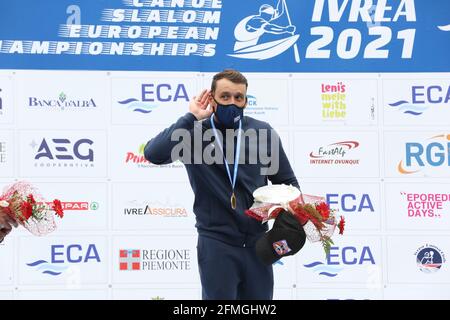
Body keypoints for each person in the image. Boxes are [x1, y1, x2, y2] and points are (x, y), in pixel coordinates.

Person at [144, 69, 299, 300]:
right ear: (212, 100)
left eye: (239, 97)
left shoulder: (263, 132)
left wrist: (288, 225)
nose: (232, 103)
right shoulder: (193, 134)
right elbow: (153, 154)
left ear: (246, 100)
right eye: (225, 96)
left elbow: (288, 184)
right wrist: (191, 117)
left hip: (258, 244)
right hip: (217, 244)